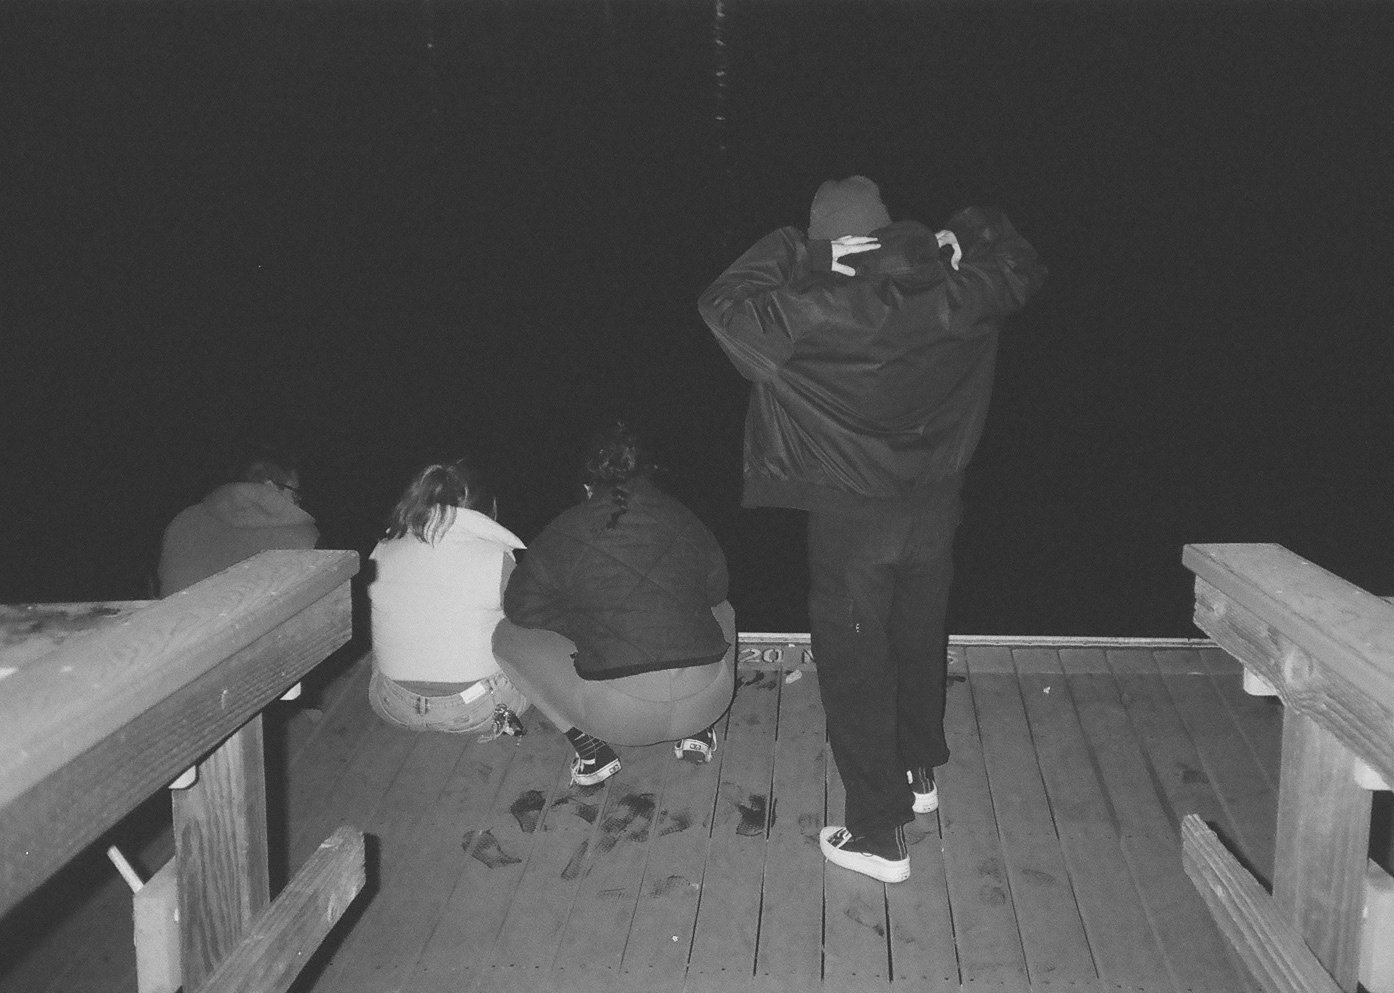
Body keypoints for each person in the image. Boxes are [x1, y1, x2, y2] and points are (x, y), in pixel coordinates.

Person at [698, 175, 1044, 882]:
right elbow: (1017, 260)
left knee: (857, 670)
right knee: (917, 638)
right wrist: (962, 231)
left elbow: (721, 303)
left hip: (853, 523)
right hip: (934, 510)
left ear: (837, 242)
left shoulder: (809, 310)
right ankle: (918, 771)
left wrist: (802, 253)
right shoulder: (956, 291)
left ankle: (879, 835)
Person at [492, 422, 735, 787]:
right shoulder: (684, 516)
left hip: (618, 717)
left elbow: (519, 608)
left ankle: (591, 751)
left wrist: (580, 624)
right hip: (708, 700)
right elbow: (716, 591)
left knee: (506, 635)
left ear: (588, 485)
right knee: (723, 609)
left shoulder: (564, 528)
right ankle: (698, 733)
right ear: (649, 476)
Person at [366, 461, 531, 738]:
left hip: (391, 705)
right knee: (527, 634)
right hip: (478, 710)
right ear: (485, 509)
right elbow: (528, 623)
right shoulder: (494, 557)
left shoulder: (383, 549)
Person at [157, 447, 320, 596]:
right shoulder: (301, 535)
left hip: (180, 618)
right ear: (270, 486)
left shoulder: (183, 521)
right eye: (295, 493)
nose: (298, 503)